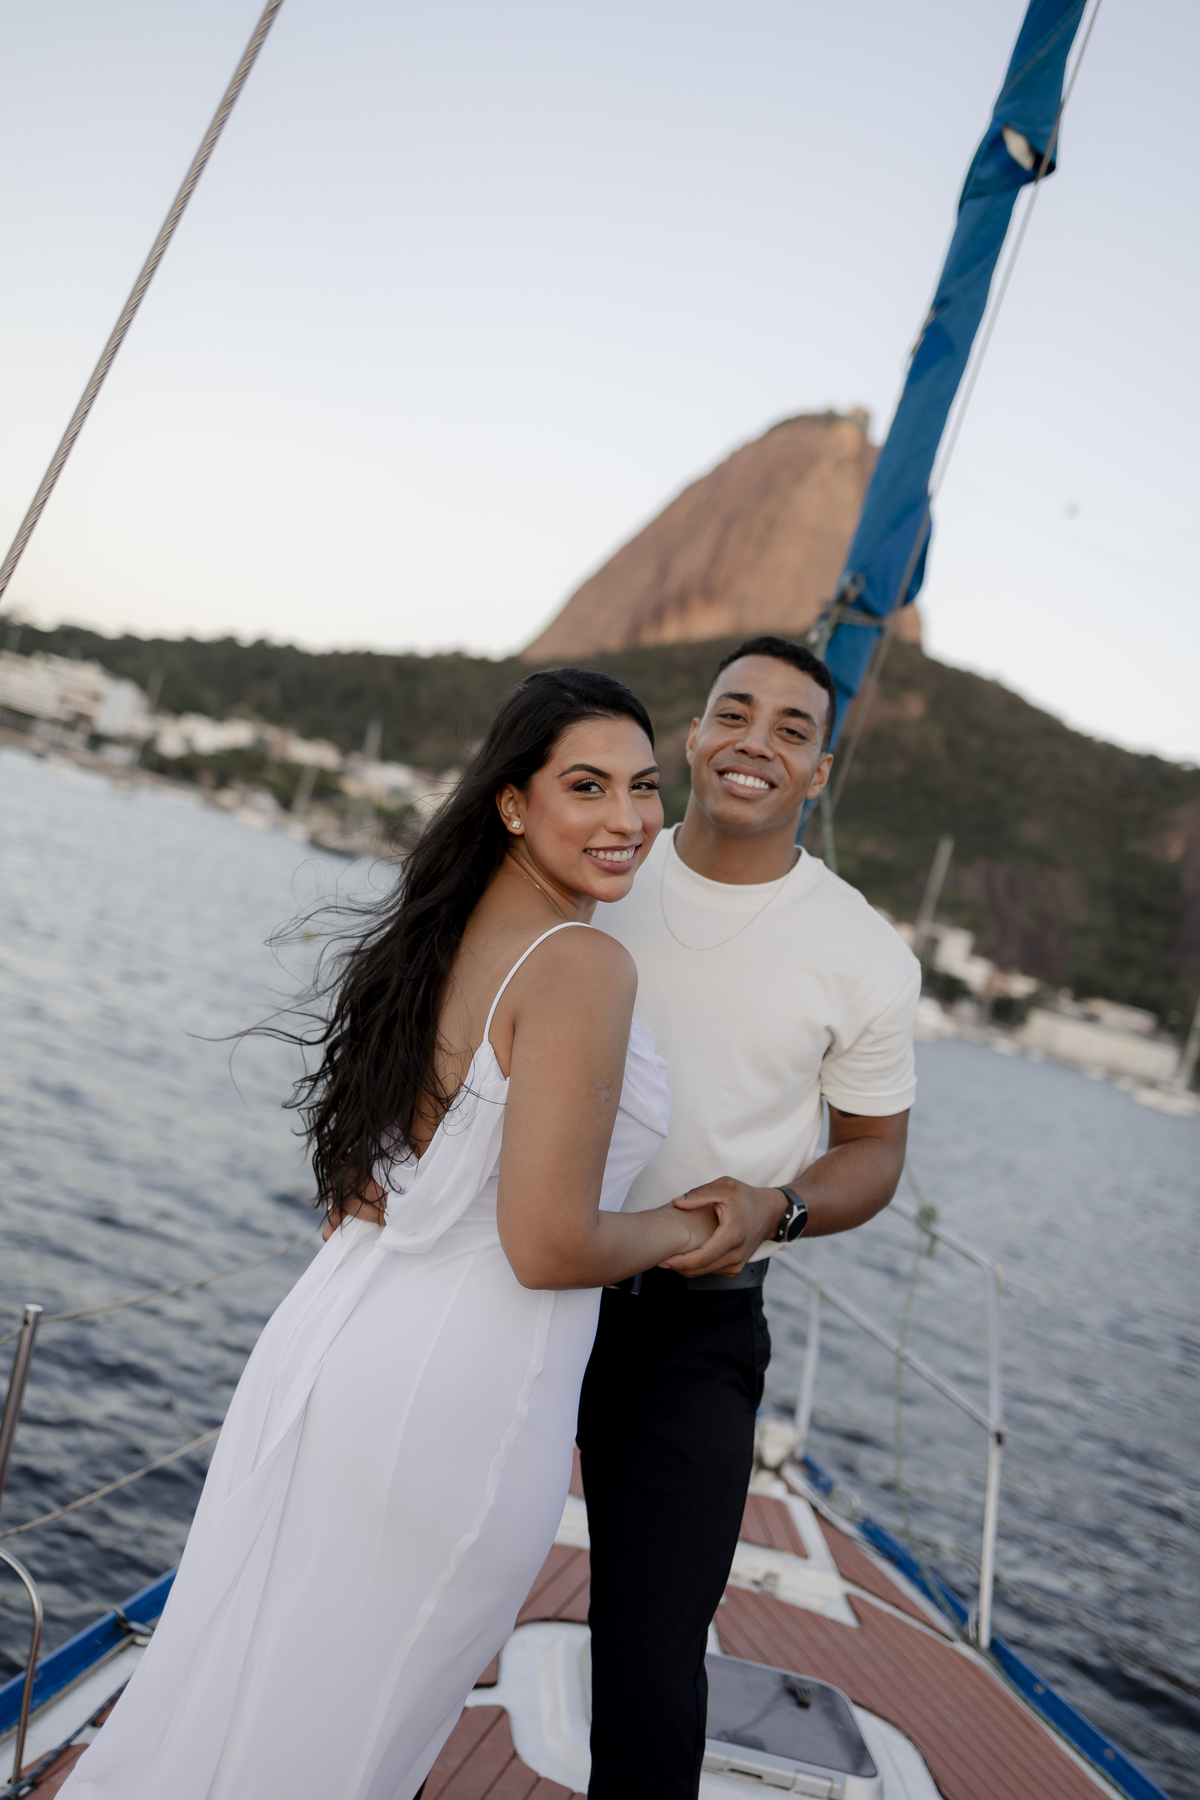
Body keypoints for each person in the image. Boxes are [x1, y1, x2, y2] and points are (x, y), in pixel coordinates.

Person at [62, 668, 719, 1800]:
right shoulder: (580, 964)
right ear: (512, 802)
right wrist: (699, 1223)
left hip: (342, 1338)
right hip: (463, 1394)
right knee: (345, 1744)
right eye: (587, 786)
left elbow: (385, 1163)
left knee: (258, 1698)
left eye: (646, 786)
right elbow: (547, 1246)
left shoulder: (446, 933)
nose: (627, 817)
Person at [578, 635, 920, 1800]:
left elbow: (874, 1152)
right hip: (520, 1282)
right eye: (735, 712)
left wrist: (780, 1206)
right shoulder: (599, 866)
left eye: (791, 728)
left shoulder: (864, 955)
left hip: (695, 1329)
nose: (754, 743)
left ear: (819, 772)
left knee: (650, 1666)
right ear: (693, 734)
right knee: (436, 1595)